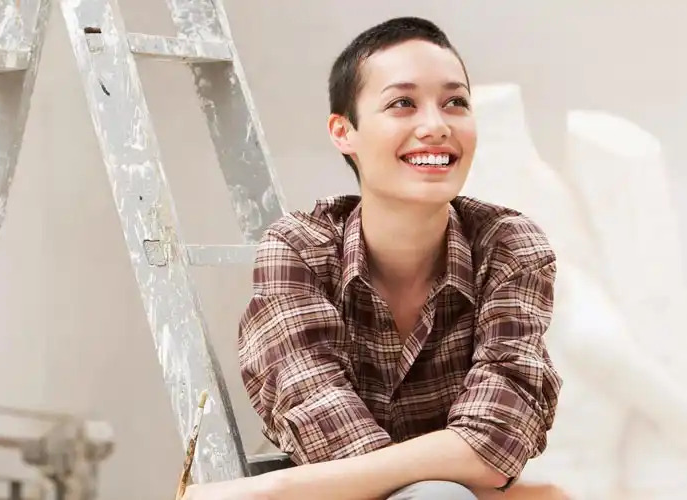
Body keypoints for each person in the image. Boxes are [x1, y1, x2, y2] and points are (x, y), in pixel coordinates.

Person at [181, 16, 564, 500]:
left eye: (456, 102)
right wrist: (490, 486)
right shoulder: (299, 250)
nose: (436, 125)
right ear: (344, 132)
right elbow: (335, 440)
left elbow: (495, 439)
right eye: (403, 103)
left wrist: (272, 490)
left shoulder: (510, 245)